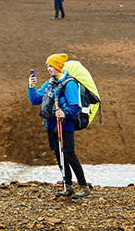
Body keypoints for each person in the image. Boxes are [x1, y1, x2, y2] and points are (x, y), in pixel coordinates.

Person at [28, 53, 90, 199]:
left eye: (51, 66)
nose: (49, 68)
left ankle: (83, 186)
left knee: (68, 154)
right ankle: (67, 186)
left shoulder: (70, 84)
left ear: (58, 66)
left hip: (65, 124)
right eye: (48, 66)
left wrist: (64, 112)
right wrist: (31, 86)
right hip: (50, 124)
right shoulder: (49, 83)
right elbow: (35, 100)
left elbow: (75, 106)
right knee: (58, 154)